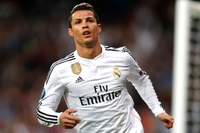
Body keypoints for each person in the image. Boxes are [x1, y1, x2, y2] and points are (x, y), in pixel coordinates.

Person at [36, 2, 174, 133]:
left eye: (89, 20)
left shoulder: (122, 57)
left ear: (99, 27)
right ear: (70, 32)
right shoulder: (61, 69)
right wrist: (58, 118)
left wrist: (158, 110)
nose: (85, 25)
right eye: (78, 22)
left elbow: (141, 80)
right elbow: (42, 112)